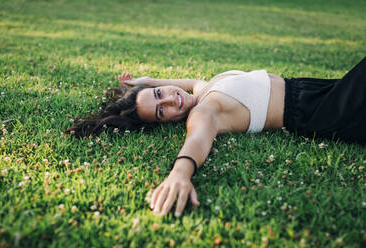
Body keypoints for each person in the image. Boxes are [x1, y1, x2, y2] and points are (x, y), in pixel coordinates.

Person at [66, 57, 366, 217]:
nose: (172, 101)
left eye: (160, 94)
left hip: (313, 89)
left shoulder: (203, 90)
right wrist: (179, 173)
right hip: (318, 111)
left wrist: (147, 82)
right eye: (162, 111)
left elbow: (190, 82)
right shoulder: (205, 111)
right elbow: (197, 139)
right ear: (167, 122)